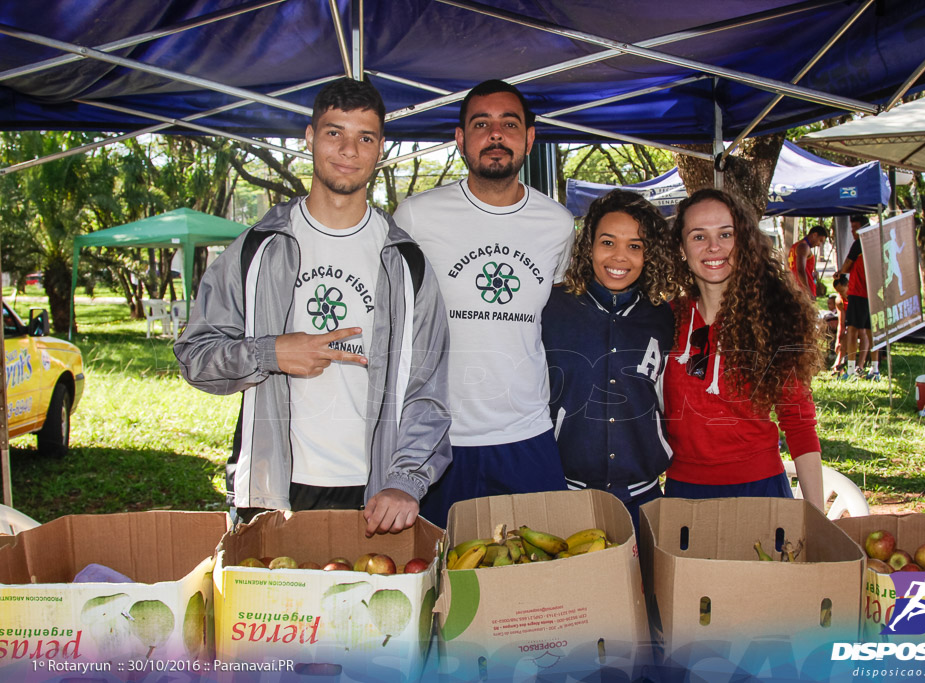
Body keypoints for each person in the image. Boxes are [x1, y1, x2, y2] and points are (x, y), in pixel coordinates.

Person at [174, 78, 452, 534]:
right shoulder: (256, 250)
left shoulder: (407, 262)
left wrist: (405, 480)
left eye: (364, 137)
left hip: (374, 494)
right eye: (333, 133)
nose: (348, 150)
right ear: (309, 137)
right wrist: (271, 354)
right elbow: (194, 357)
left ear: (380, 147)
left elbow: (429, 391)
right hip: (274, 489)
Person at [393, 80, 575, 526]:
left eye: (509, 124)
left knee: (537, 581)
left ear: (529, 139)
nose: (496, 135)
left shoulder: (557, 223)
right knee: (441, 577)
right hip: (437, 439)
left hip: (527, 434)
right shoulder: (417, 216)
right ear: (460, 140)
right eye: (481, 124)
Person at [662, 188, 824, 510]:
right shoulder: (664, 320)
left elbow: (799, 424)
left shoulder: (776, 318)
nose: (713, 247)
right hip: (683, 493)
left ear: (745, 241)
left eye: (726, 234)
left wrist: (817, 517)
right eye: (698, 236)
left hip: (760, 491)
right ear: (681, 248)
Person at [542, 190, 678, 529]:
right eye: (608, 242)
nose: (620, 257)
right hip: (564, 493)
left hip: (644, 498)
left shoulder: (664, 317)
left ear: (649, 254)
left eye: (635, 246)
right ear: (588, 246)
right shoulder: (550, 308)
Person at [834, 214, 880, 381]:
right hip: (874, 294)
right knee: (871, 332)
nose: (853, 232)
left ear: (863, 228)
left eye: (855, 229)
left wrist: (840, 272)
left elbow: (846, 266)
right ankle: (875, 370)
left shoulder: (859, 243)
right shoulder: (876, 242)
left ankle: (852, 370)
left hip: (858, 292)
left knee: (852, 330)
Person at [788, 224, 828, 297]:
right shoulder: (804, 247)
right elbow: (800, 270)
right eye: (820, 240)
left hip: (794, 288)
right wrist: (807, 291)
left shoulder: (795, 246)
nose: (819, 244)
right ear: (814, 235)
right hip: (802, 292)